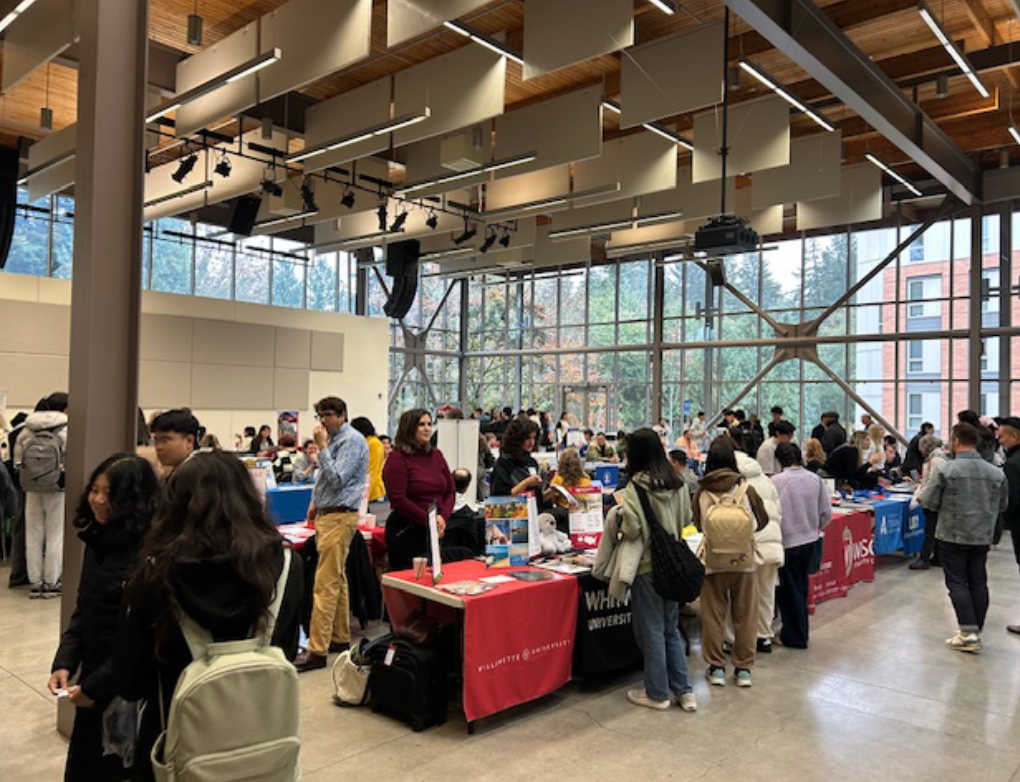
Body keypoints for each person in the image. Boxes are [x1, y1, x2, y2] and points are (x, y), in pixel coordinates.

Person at [115, 452, 303, 782]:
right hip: (263, 750)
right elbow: (285, 652)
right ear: (249, 497)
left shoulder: (157, 574)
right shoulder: (288, 565)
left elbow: (130, 681)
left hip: (177, 746)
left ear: (174, 506)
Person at [49, 455, 159, 782]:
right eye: (94, 490)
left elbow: (141, 640)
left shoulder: (149, 554)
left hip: (125, 690)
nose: (97, 499)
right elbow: (84, 609)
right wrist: (65, 659)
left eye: (108, 493)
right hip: (92, 680)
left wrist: (96, 687)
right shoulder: (98, 541)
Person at [616, 428, 695, 712]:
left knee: (650, 630)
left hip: (648, 566)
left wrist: (620, 517)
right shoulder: (678, 482)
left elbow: (634, 529)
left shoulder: (635, 486)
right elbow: (687, 518)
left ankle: (657, 692)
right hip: (675, 563)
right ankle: (684, 691)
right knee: (671, 628)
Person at [919, 423, 1007, 653]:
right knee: (978, 580)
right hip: (982, 535)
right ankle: (975, 629)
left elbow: (929, 501)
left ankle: (968, 632)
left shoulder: (946, 470)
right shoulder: (996, 472)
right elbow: (1003, 505)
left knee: (957, 582)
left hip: (952, 534)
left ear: (956, 441)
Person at [295, 396, 368, 672]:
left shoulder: (352, 441)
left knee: (324, 583)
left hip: (340, 516)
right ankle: (339, 637)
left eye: (327, 415)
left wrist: (322, 448)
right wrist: (314, 502)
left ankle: (316, 650)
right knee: (337, 578)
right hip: (328, 513)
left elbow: (337, 477)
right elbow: (324, 479)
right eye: (320, 416)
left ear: (342, 415)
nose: (323, 421)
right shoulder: (336, 441)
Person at [693, 438, 769, 688]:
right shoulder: (746, 489)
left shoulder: (702, 491)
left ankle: (716, 667)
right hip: (744, 561)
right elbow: (763, 520)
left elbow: (695, 524)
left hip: (713, 562)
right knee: (745, 615)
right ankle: (743, 669)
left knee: (713, 616)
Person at [728, 431, 784, 654]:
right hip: (771, 544)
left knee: (736, 595)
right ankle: (764, 636)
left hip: (747, 546)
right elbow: (778, 512)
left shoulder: (733, 483)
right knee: (766, 593)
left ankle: (732, 639)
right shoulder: (766, 481)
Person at [772, 443, 832, 649]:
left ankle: (795, 636)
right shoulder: (814, 479)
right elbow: (826, 513)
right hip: (810, 540)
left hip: (787, 542)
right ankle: (799, 631)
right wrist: (814, 528)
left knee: (789, 592)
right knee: (801, 587)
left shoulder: (776, 482)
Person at [382, 409, 455, 572]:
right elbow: (398, 499)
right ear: (409, 428)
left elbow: (450, 491)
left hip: (436, 528)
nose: (427, 428)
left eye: (429, 424)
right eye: (421, 424)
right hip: (407, 530)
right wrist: (430, 520)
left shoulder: (436, 455)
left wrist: (443, 517)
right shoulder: (397, 458)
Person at [15, 394, 69, 599]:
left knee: (33, 534)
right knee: (55, 534)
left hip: (31, 487)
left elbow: (17, 460)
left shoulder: (27, 429)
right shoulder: (65, 430)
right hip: (56, 487)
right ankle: (52, 582)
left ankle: (35, 582)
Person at [910, 434, 949, 570]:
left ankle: (924, 558)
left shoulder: (935, 460)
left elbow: (933, 482)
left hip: (933, 501)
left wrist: (923, 496)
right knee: (935, 530)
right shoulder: (938, 458)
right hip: (937, 499)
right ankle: (937, 558)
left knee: (930, 530)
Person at [997, 418, 1020, 633]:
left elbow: (1011, 501)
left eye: (1002, 435)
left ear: (1014, 437)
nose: (999, 439)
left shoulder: (1013, 465)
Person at [149, 409, 200, 474]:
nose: (159, 447)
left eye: (165, 440)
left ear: (189, 441)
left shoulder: (196, 474)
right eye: (156, 441)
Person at [350, 417, 386, 502]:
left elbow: (372, 470)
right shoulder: (365, 442)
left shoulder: (374, 443)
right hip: (364, 489)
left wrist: (365, 496)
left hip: (372, 491)